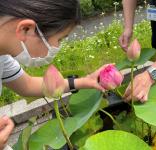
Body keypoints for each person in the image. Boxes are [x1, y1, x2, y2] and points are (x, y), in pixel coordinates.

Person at [0, 1, 109, 149]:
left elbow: (27, 85)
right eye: (60, 39)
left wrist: (84, 81)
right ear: (26, 29)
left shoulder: (2, 56)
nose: (57, 47)